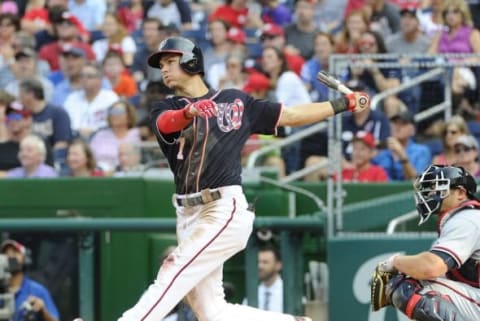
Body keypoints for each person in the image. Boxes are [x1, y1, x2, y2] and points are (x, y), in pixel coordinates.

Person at [114, 36, 369, 321]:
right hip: (187, 213)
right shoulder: (165, 106)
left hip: (223, 207)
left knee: (174, 267)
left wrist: (342, 104)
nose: (164, 69)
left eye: (171, 61)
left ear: (191, 62)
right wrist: (189, 112)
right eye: (161, 64)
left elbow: (293, 114)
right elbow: (166, 123)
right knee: (212, 312)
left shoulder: (235, 101)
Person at [375, 164, 480, 321]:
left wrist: (394, 262)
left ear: (460, 193)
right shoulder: (464, 218)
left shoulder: (467, 219)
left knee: (412, 284)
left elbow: (430, 268)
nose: (430, 193)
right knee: (413, 279)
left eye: (438, 187)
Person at [1, 239, 60, 321]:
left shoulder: (37, 291)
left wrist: (43, 312)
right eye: (6, 254)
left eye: (15, 253)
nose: (10, 257)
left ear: (24, 258)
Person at [373, 110, 431, 180]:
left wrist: (402, 155)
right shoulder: (382, 151)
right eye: (395, 123)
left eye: (403, 123)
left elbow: (418, 182)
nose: (398, 127)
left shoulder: (422, 151)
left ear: (413, 130)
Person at [256, 245, 284, 312]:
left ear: (278, 265)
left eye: (265, 262)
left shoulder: (286, 293)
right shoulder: (253, 294)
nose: (260, 266)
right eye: (258, 262)